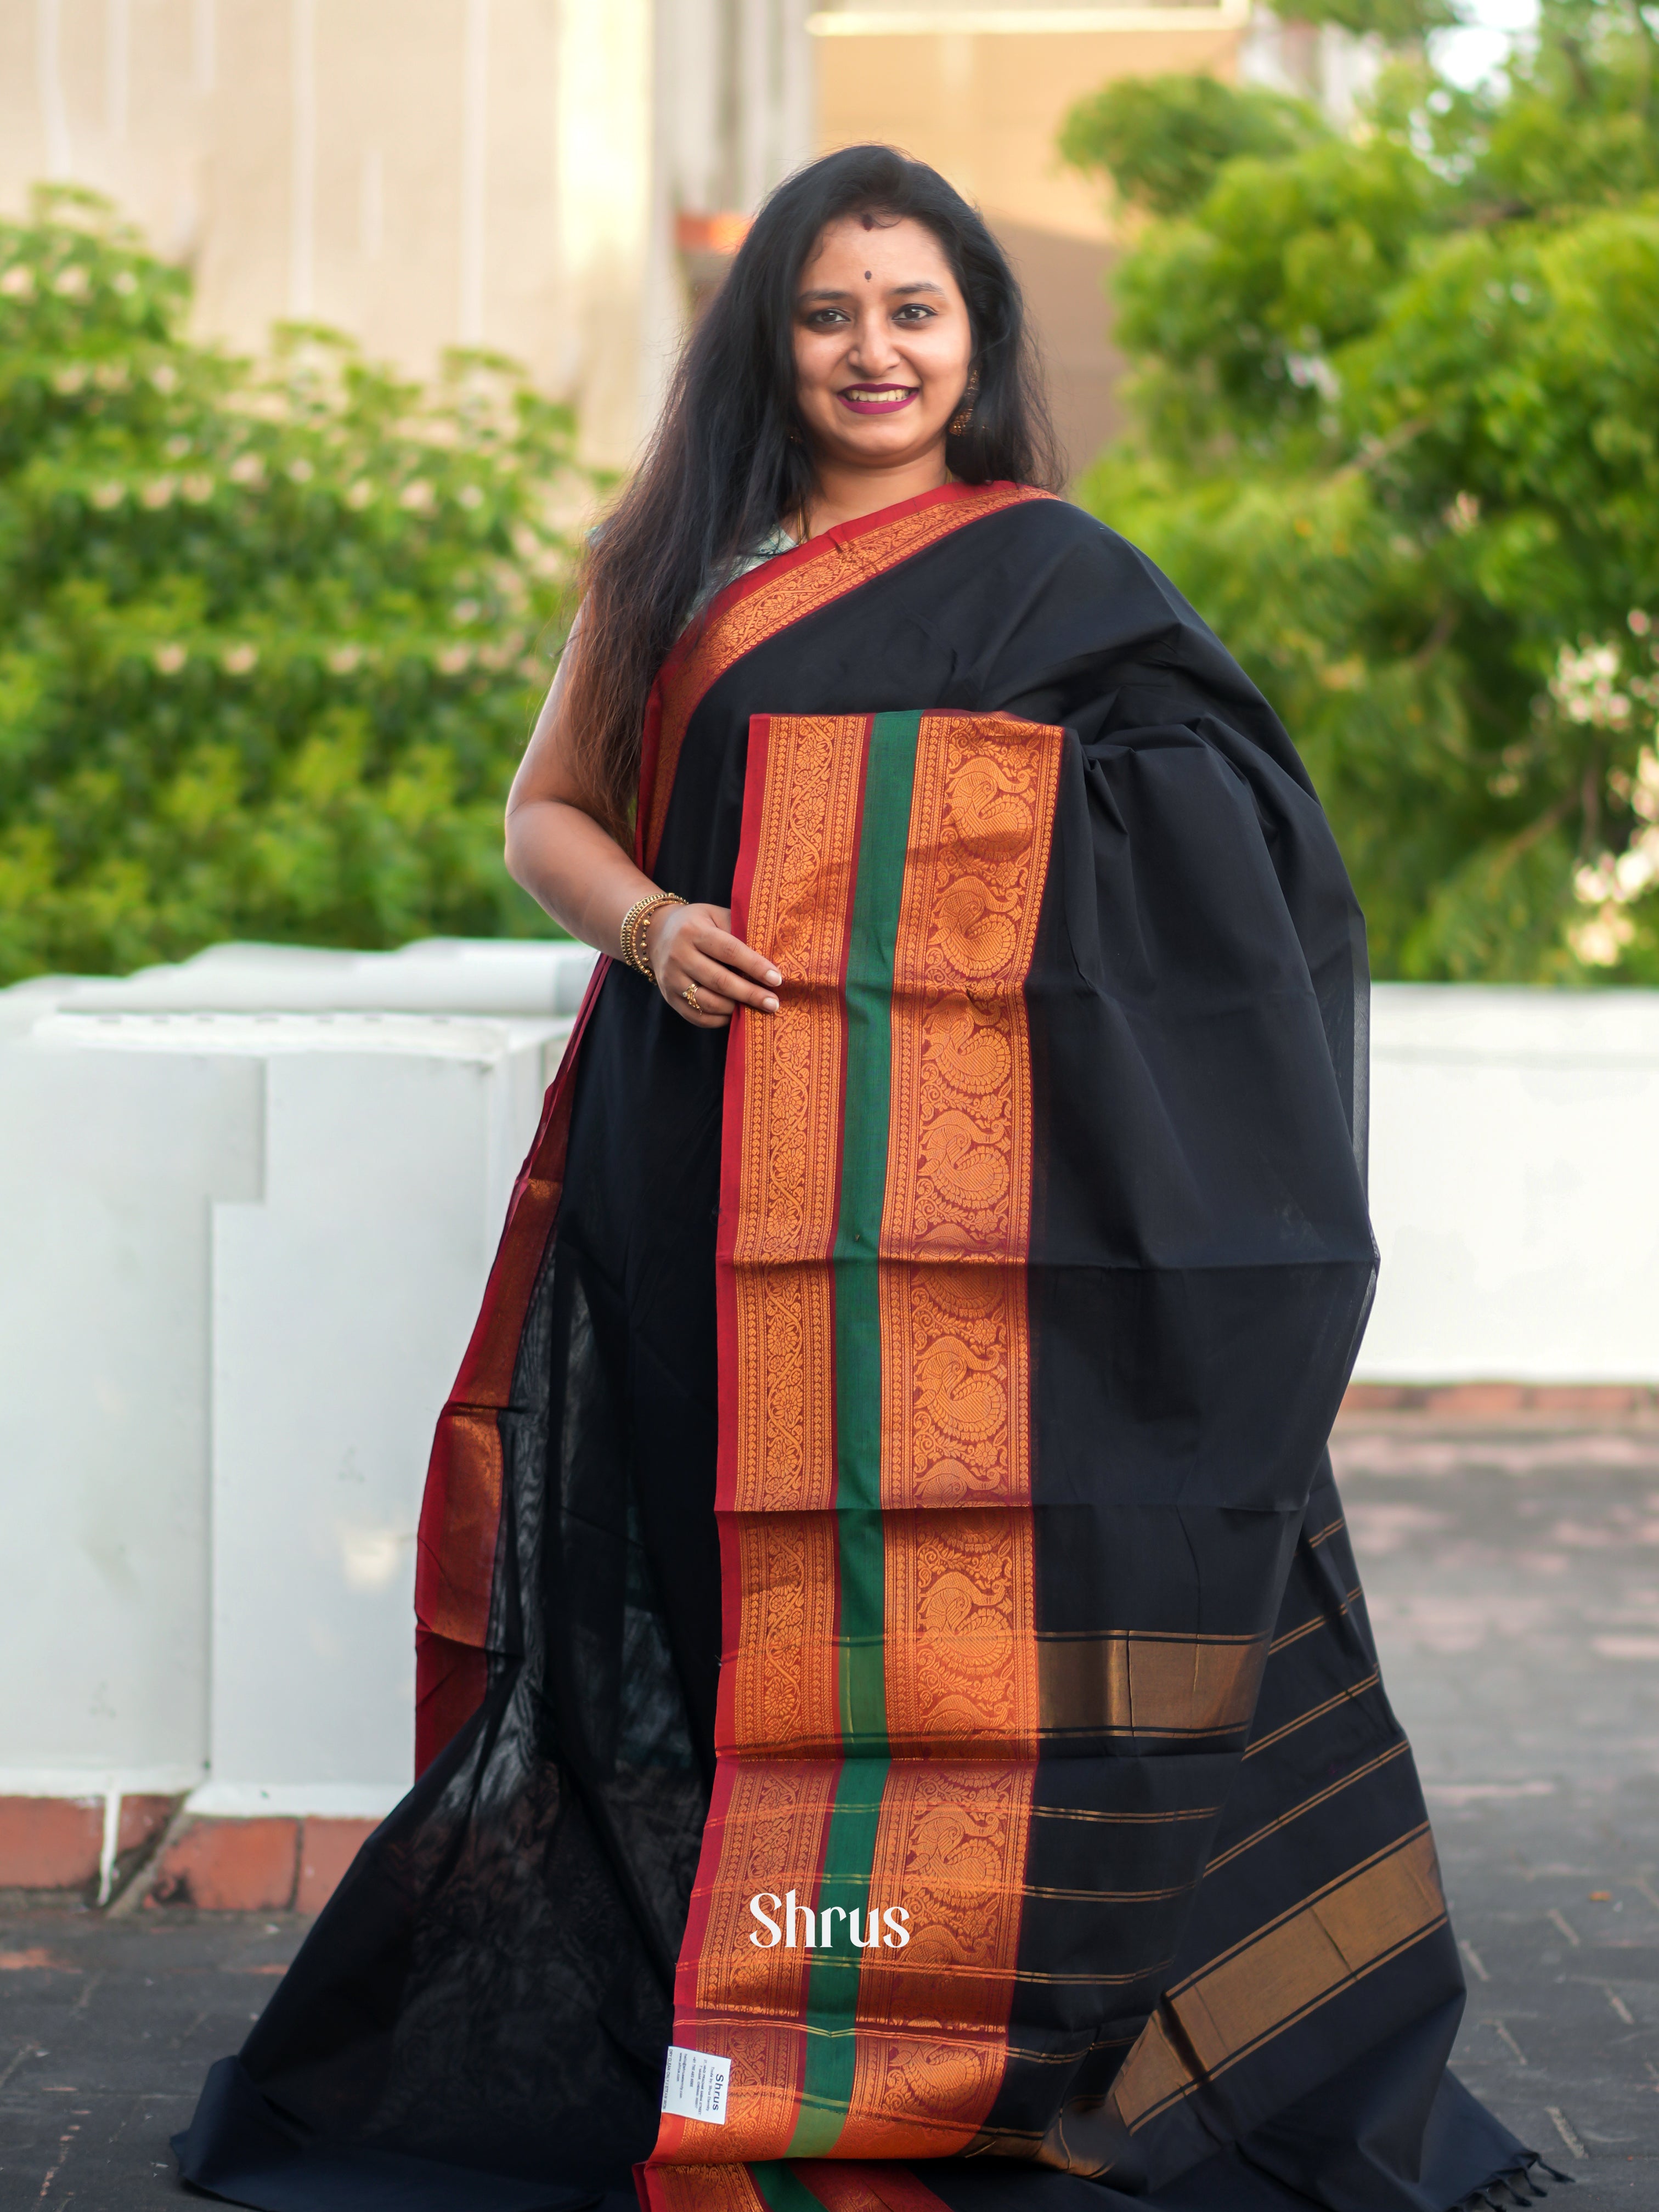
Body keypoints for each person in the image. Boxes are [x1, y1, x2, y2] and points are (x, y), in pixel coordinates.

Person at [175, 145, 1551, 2212]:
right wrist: (651, 924)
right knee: (750, 1605)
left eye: (914, 309)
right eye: (829, 312)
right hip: (710, 1168)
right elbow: (547, 814)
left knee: (1000, 1631)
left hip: (1007, 1230)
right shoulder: (680, 568)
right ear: (769, 340)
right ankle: (771, 2031)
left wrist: (937, 835)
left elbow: (1235, 839)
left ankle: (1009, 2045)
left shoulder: (1062, 576)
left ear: (977, 335)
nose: (872, 350)